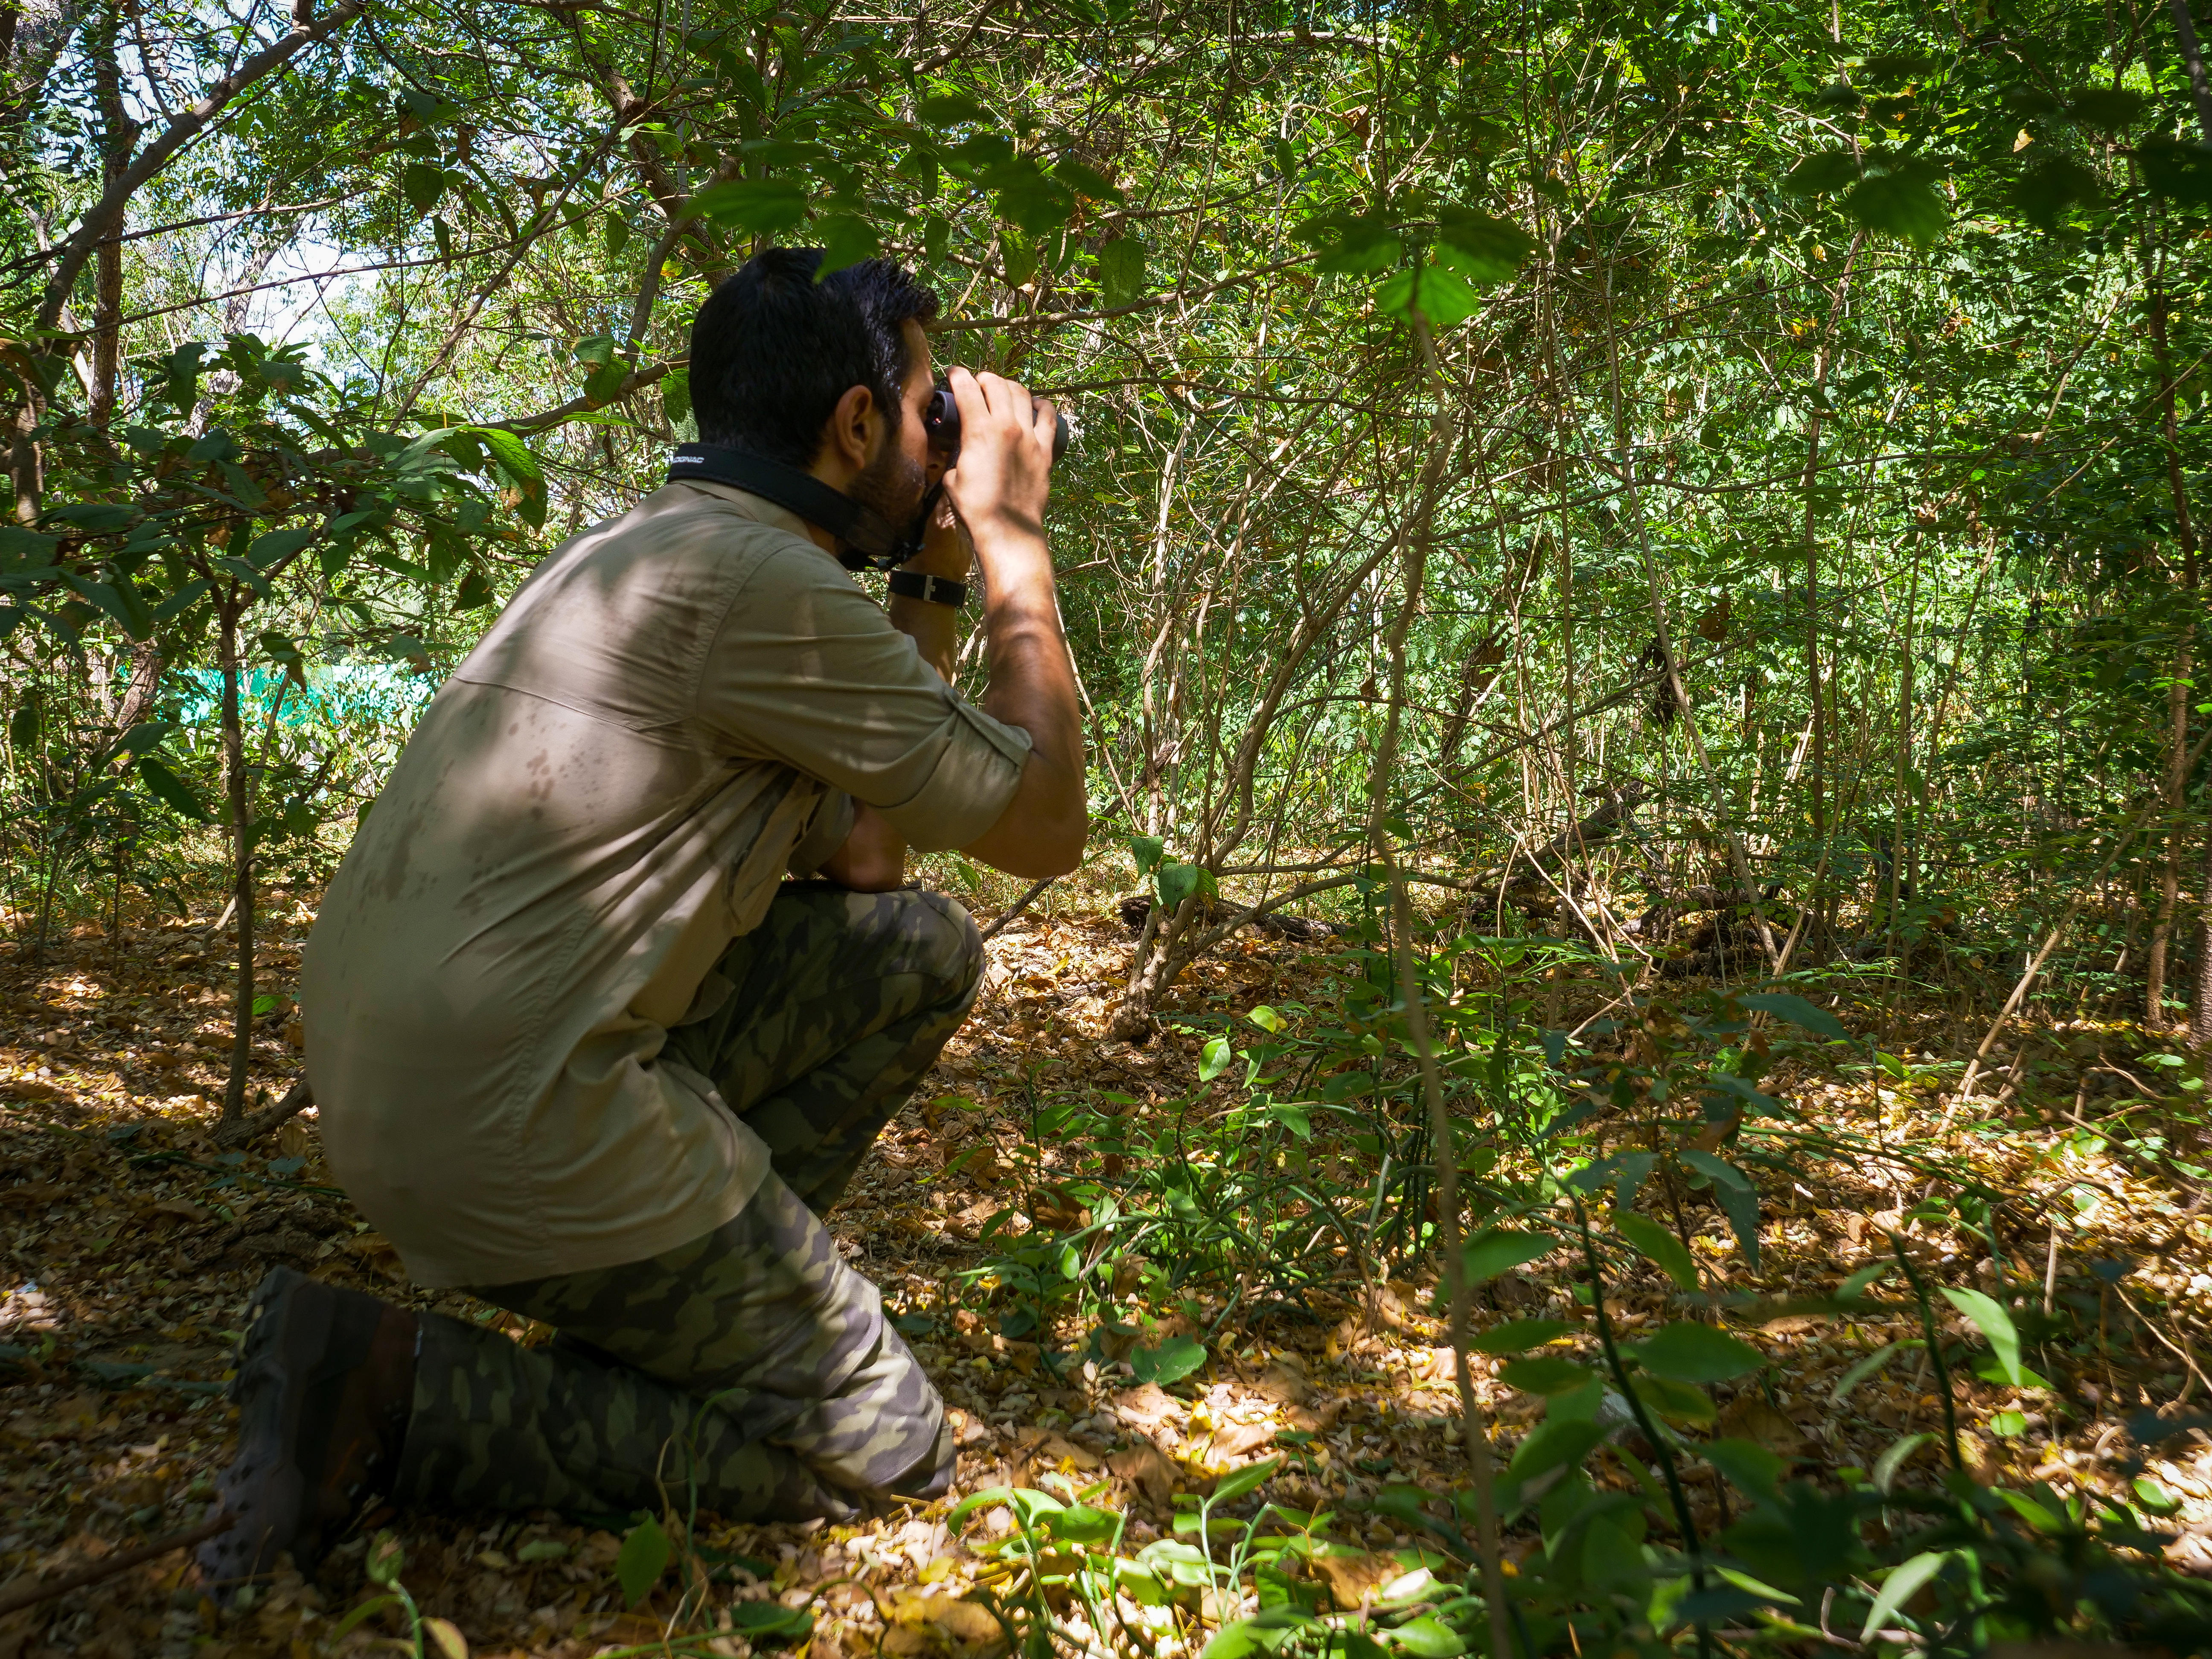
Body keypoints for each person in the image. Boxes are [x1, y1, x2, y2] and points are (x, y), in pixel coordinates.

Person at [198, 247, 1086, 1589]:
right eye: (927, 413)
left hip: (422, 1091)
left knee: (916, 950)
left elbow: (864, 856)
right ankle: (399, 1393)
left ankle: (684, 1307)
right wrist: (1017, 542)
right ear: (855, 425)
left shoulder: (649, 552)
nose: (945, 445)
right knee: (887, 1446)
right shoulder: (764, 589)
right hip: (519, 1113)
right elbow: (1044, 830)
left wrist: (936, 585)